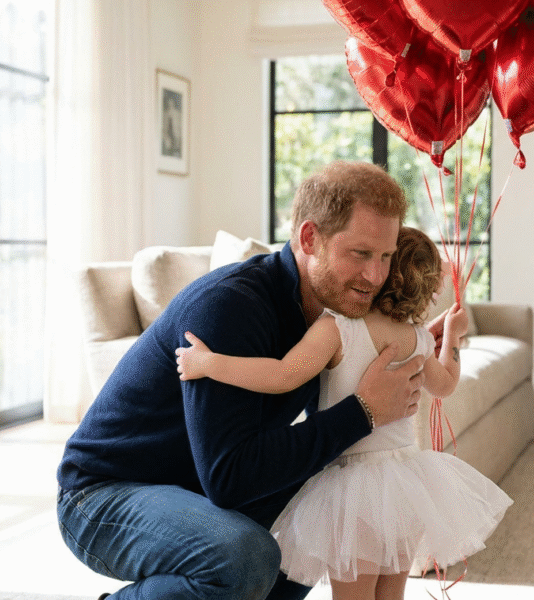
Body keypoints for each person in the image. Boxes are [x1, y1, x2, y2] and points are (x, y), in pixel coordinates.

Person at [56, 161, 438, 600]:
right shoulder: (230, 307)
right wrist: (364, 412)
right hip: (105, 495)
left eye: (386, 256)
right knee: (244, 557)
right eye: (360, 253)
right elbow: (229, 476)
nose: (375, 276)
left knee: (328, 510)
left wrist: (417, 342)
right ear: (310, 238)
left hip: (194, 488)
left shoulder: (335, 320)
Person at [175, 227, 512, 600]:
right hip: (407, 485)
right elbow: (446, 383)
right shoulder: (415, 337)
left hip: (355, 490)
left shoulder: (338, 327)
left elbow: (282, 375)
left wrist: (210, 363)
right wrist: (452, 336)